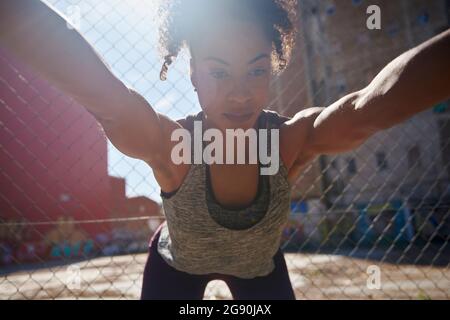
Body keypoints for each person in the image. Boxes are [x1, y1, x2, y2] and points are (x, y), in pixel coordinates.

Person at [0, 0, 449, 300]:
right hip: (176, 268)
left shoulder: (287, 141)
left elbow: (370, 105)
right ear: (193, 74)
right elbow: (109, 101)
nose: (239, 93)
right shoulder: (173, 146)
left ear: (271, 72)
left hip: (259, 269)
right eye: (219, 73)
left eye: (256, 72)